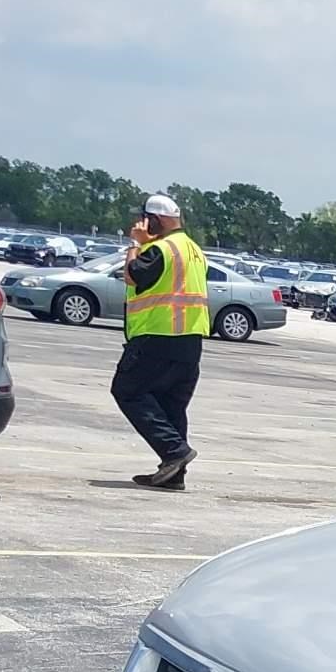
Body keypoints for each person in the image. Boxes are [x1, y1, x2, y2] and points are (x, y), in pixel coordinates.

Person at [111, 194, 209, 489]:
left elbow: (131, 276)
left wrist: (136, 244)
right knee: (170, 407)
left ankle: (174, 452)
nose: (139, 224)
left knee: (127, 391)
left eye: (144, 219)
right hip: (190, 340)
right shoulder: (193, 249)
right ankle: (173, 474)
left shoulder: (160, 249)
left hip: (158, 335)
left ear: (156, 220)